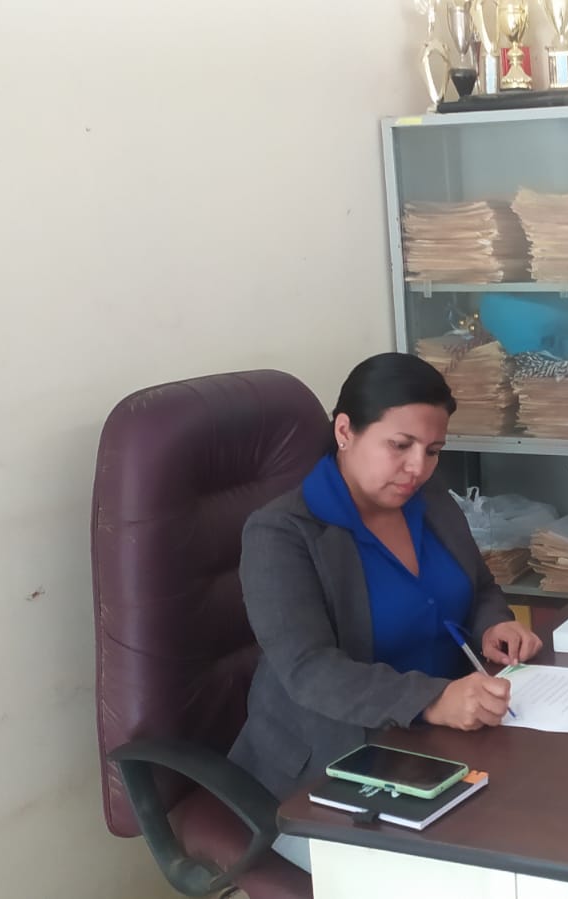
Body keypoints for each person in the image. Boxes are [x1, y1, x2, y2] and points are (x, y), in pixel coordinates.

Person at [228, 352, 543, 871]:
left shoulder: (428, 501)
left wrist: (494, 624)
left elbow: (480, 586)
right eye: (400, 445)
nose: (418, 467)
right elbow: (310, 671)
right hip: (325, 771)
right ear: (345, 431)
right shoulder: (282, 533)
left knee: (542, 833)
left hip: (440, 747)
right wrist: (432, 700)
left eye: (433, 451)